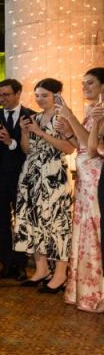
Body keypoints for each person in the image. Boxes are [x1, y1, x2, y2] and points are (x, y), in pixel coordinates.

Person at [13, 79, 75, 292]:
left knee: (57, 224)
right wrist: (24, 132)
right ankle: (41, 270)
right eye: (37, 95)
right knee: (33, 222)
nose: (39, 99)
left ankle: (59, 275)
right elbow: (27, 150)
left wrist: (40, 133)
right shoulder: (34, 118)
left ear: (57, 95)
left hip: (54, 176)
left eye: (44, 95)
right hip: (31, 175)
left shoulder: (63, 118)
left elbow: (69, 148)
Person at [58, 68, 104, 311]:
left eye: (90, 83)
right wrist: (68, 130)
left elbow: (92, 146)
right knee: (83, 227)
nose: (85, 87)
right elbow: (81, 144)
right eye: (83, 83)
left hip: (96, 177)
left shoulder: (101, 112)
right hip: (85, 177)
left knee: (93, 228)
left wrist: (71, 116)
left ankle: (96, 292)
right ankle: (83, 291)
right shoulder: (92, 111)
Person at [0, 79, 34, 280]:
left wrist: (11, 142)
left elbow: (33, 152)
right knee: (2, 222)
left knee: (21, 223)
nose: (2, 99)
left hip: (22, 178)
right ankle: (6, 264)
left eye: (6, 95)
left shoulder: (30, 116)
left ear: (18, 93)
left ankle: (20, 265)